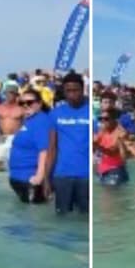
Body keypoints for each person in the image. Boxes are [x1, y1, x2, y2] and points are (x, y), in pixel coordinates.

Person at [48, 72, 91, 214]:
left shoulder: (91, 112)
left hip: (86, 176)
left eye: (76, 90)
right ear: (64, 92)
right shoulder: (55, 113)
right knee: (62, 217)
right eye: (68, 91)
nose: (72, 94)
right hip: (62, 175)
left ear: (83, 89)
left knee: (85, 219)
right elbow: (52, 148)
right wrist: (46, 178)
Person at [6, 87, 52, 205]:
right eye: (22, 103)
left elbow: (45, 150)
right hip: (20, 177)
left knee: (34, 218)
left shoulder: (41, 121)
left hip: (31, 180)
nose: (25, 105)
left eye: (30, 102)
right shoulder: (29, 120)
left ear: (40, 104)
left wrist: (39, 176)